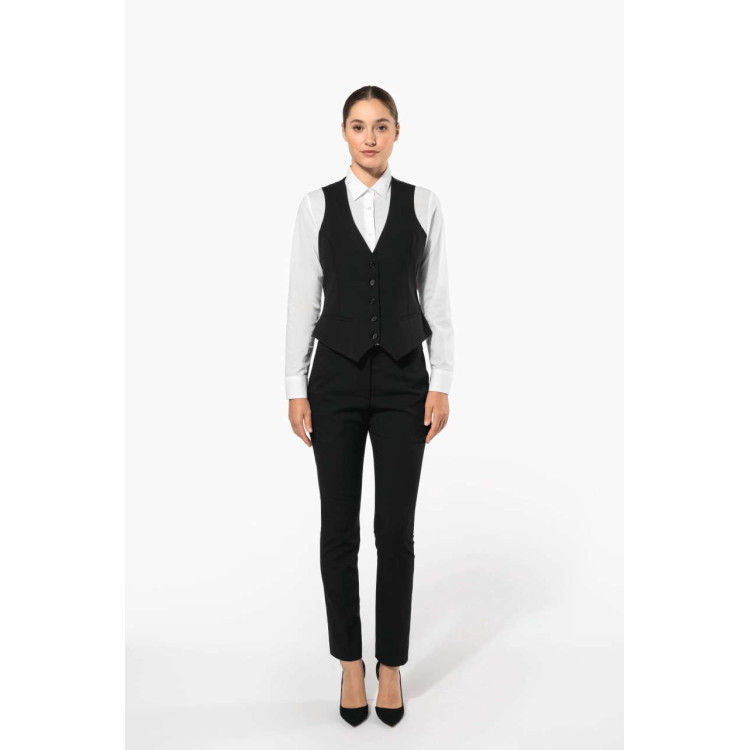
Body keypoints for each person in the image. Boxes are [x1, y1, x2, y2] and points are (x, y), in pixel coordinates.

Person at [284, 85, 454, 726]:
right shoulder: (315, 206)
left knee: (395, 533)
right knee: (339, 530)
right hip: (334, 381)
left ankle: (391, 668)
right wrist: (296, 387)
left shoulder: (425, 204)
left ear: (397, 132)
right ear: (344, 133)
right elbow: (302, 299)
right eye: (359, 126)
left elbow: (437, 298)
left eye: (381, 125)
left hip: (406, 380)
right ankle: (350, 664)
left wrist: (442, 380)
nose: (370, 137)